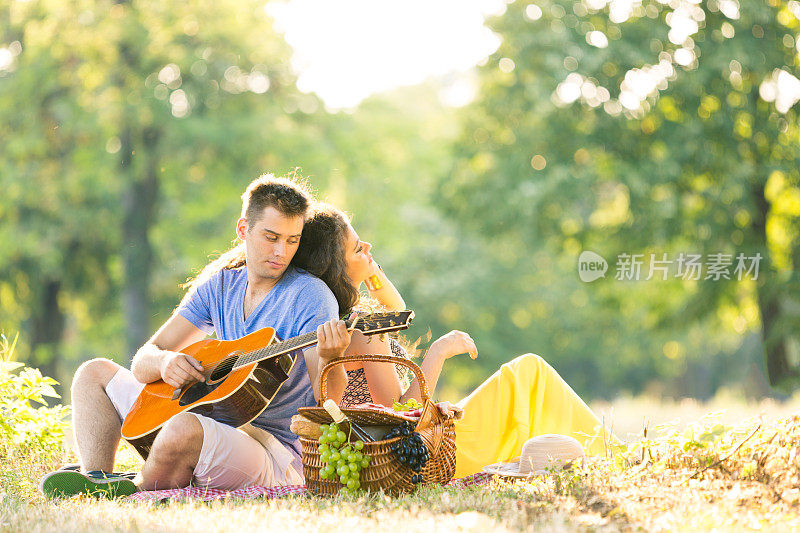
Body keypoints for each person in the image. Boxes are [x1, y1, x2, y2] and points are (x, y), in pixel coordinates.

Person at [41, 174, 352, 498]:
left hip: (271, 450)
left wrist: (332, 359)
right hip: (210, 418)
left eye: (292, 240)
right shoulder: (220, 286)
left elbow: (328, 403)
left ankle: (133, 489)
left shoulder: (311, 297)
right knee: (92, 374)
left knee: (183, 428)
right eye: (271, 237)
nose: (281, 251)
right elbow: (145, 358)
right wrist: (165, 362)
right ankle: (97, 477)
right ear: (243, 230)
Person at [291, 203, 612, 477]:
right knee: (529, 372)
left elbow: (396, 309)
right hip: (419, 456)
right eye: (359, 248)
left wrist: (368, 269)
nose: (369, 247)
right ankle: (610, 454)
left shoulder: (346, 324)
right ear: (337, 269)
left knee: (526, 375)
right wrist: (438, 352)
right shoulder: (362, 332)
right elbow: (401, 415)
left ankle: (602, 452)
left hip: (401, 454)